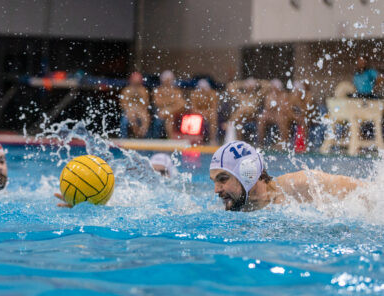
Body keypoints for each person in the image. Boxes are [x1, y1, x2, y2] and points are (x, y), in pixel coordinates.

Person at [210, 141, 364, 211]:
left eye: (223, 179)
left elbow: (366, 192)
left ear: (247, 173)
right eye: (214, 182)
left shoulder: (301, 185)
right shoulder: (237, 208)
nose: (216, 190)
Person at [151, 70, 186, 139]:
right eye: (166, 80)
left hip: (172, 112)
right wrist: (171, 103)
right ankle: (159, 138)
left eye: (169, 80)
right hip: (161, 111)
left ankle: (170, 138)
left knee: (169, 116)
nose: (168, 82)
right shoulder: (157, 90)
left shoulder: (176, 90)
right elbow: (157, 102)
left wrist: (169, 109)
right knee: (166, 117)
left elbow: (181, 103)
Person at [119, 72, 151, 138]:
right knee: (129, 117)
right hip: (129, 110)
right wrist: (132, 110)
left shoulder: (143, 90)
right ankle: (128, 136)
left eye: (137, 82)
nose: (136, 83)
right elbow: (123, 104)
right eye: (135, 81)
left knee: (145, 118)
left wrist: (137, 111)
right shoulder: (126, 90)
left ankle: (143, 135)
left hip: (140, 110)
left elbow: (145, 104)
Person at [188, 79, 219, 144]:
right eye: (201, 90)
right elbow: (193, 109)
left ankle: (212, 139)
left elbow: (214, 108)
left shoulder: (213, 94)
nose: (203, 92)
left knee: (213, 116)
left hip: (208, 114)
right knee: (193, 117)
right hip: (198, 114)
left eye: (204, 90)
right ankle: (195, 140)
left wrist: (205, 113)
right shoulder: (194, 94)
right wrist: (202, 113)